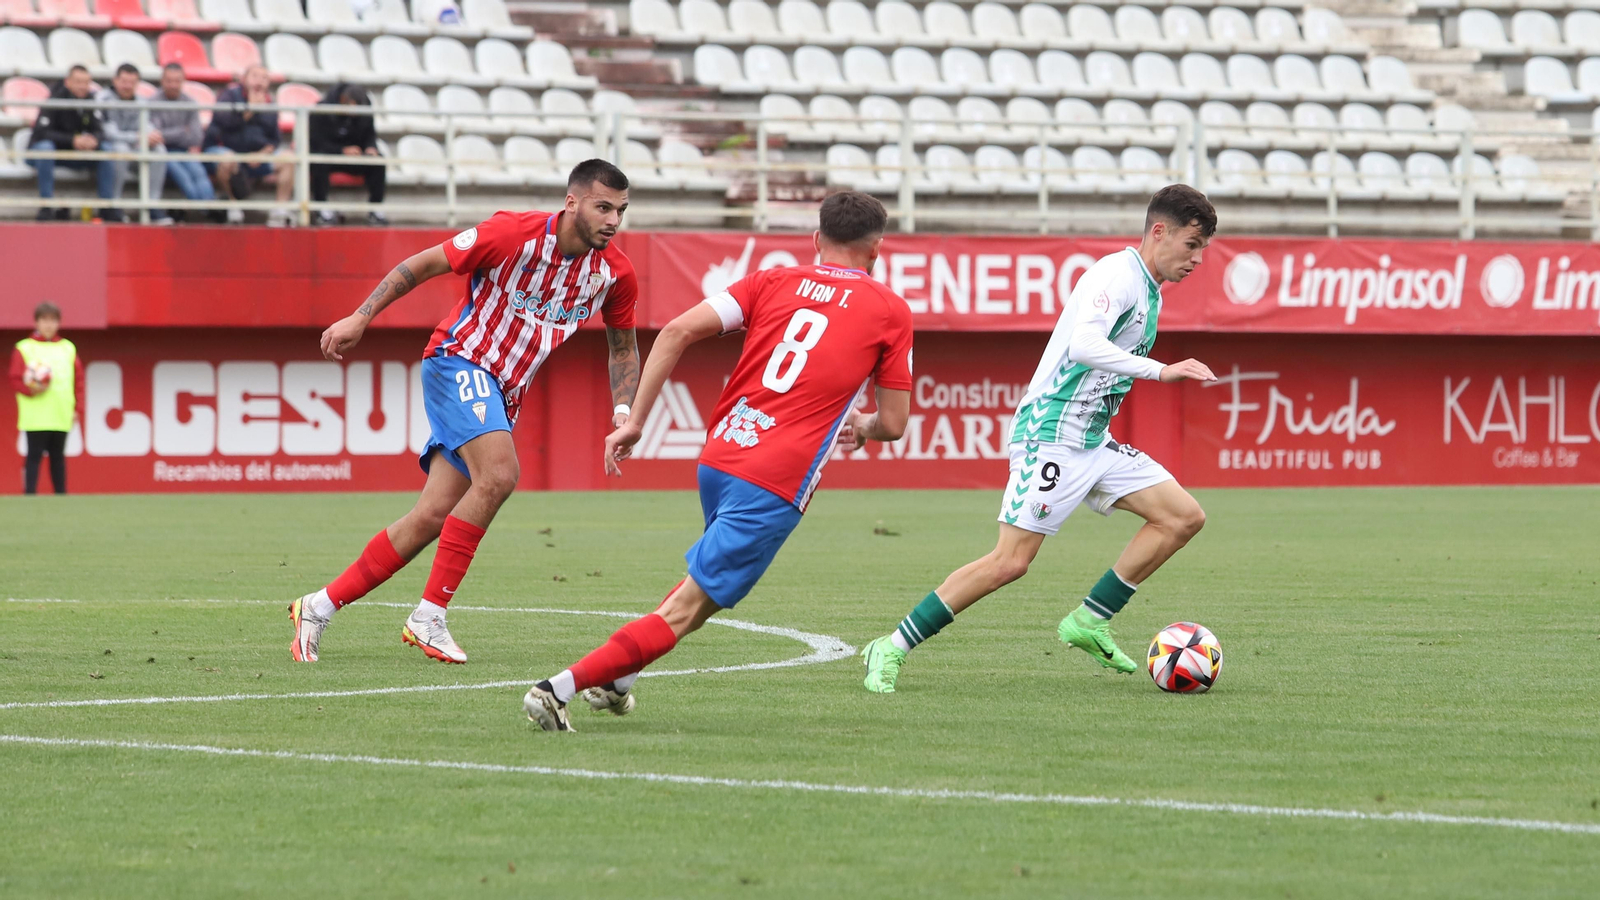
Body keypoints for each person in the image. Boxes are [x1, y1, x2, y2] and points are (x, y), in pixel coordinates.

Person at [522, 190, 915, 732]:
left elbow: (676, 331)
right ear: (877, 249)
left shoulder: (771, 280)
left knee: (705, 593)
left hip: (722, 456)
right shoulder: (890, 310)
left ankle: (618, 680)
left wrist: (635, 419)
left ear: (816, 240)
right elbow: (893, 423)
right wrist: (863, 427)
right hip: (775, 480)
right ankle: (557, 689)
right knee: (687, 606)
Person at [859, 185, 1220, 694]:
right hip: (1050, 435)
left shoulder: (1149, 289)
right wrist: (1161, 371)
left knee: (1183, 517)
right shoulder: (1116, 275)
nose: (1198, 259)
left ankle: (1090, 620)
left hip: (1092, 441)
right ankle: (891, 645)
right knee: (1010, 562)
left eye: (1202, 249)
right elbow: (1084, 344)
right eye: (1191, 244)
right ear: (1159, 231)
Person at [286, 159, 641, 665]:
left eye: (621, 210)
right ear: (572, 202)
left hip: (504, 391)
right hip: (460, 360)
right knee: (499, 475)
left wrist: (624, 411)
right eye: (603, 207)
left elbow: (623, 348)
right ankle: (428, 616)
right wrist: (361, 316)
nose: (613, 220)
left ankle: (317, 607)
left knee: (430, 516)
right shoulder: (511, 234)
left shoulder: (614, 274)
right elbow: (423, 264)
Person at [204, 65, 294, 226]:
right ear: (244, 79)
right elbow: (223, 125)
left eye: (264, 78)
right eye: (255, 76)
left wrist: (263, 154)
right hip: (228, 151)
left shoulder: (270, 104)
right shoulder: (228, 96)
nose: (259, 81)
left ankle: (280, 210)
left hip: (257, 157)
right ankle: (232, 205)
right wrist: (249, 110)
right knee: (226, 159)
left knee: (289, 159)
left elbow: (275, 139)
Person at [10, 303, 83, 495]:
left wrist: (77, 409)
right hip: (36, 415)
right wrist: (31, 390)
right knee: (34, 456)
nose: (48, 325)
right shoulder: (25, 347)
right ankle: (29, 495)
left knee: (58, 457)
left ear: (59, 323)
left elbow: (78, 380)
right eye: (44, 320)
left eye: (53, 320)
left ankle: (60, 496)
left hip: (61, 412)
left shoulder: (68, 348)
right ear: (36, 322)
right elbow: (15, 378)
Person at [28, 65, 114, 222]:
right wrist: (72, 140)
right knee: (45, 148)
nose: (82, 86)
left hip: (77, 153)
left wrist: (93, 140)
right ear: (68, 82)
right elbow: (41, 132)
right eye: (78, 81)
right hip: (49, 153)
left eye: (86, 82)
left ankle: (106, 207)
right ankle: (46, 206)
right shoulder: (54, 99)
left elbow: (101, 131)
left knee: (107, 149)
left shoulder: (92, 101)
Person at [146, 63, 216, 225]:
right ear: (162, 81)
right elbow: (156, 136)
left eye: (177, 81)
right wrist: (182, 131)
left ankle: (212, 208)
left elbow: (196, 138)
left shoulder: (190, 102)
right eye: (169, 81)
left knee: (199, 173)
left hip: (183, 151)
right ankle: (205, 211)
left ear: (183, 81)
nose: (173, 85)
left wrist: (167, 134)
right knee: (183, 176)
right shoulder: (152, 102)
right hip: (162, 152)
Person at [308, 83, 387, 226]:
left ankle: (376, 209)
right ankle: (321, 207)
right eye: (352, 105)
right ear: (343, 100)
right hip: (328, 155)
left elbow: (370, 134)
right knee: (319, 160)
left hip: (354, 156)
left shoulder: (365, 109)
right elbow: (316, 143)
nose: (354, 110)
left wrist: (370, 148)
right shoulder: (321, 110)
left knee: (378, 162)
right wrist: (342, 150)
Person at [93, 63, 149, 222]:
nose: (127, 86)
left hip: (133, 146)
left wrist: (151, 136)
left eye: (132, 82)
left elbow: (147, 126)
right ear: (115, 80)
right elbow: (108, 133)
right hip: (109, 147)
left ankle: (152, 204)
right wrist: (137, 137)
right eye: (124, 81)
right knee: (120, 149)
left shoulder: (142, 102)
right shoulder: (103, 99)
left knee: (158, 150)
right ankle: (113, 204)